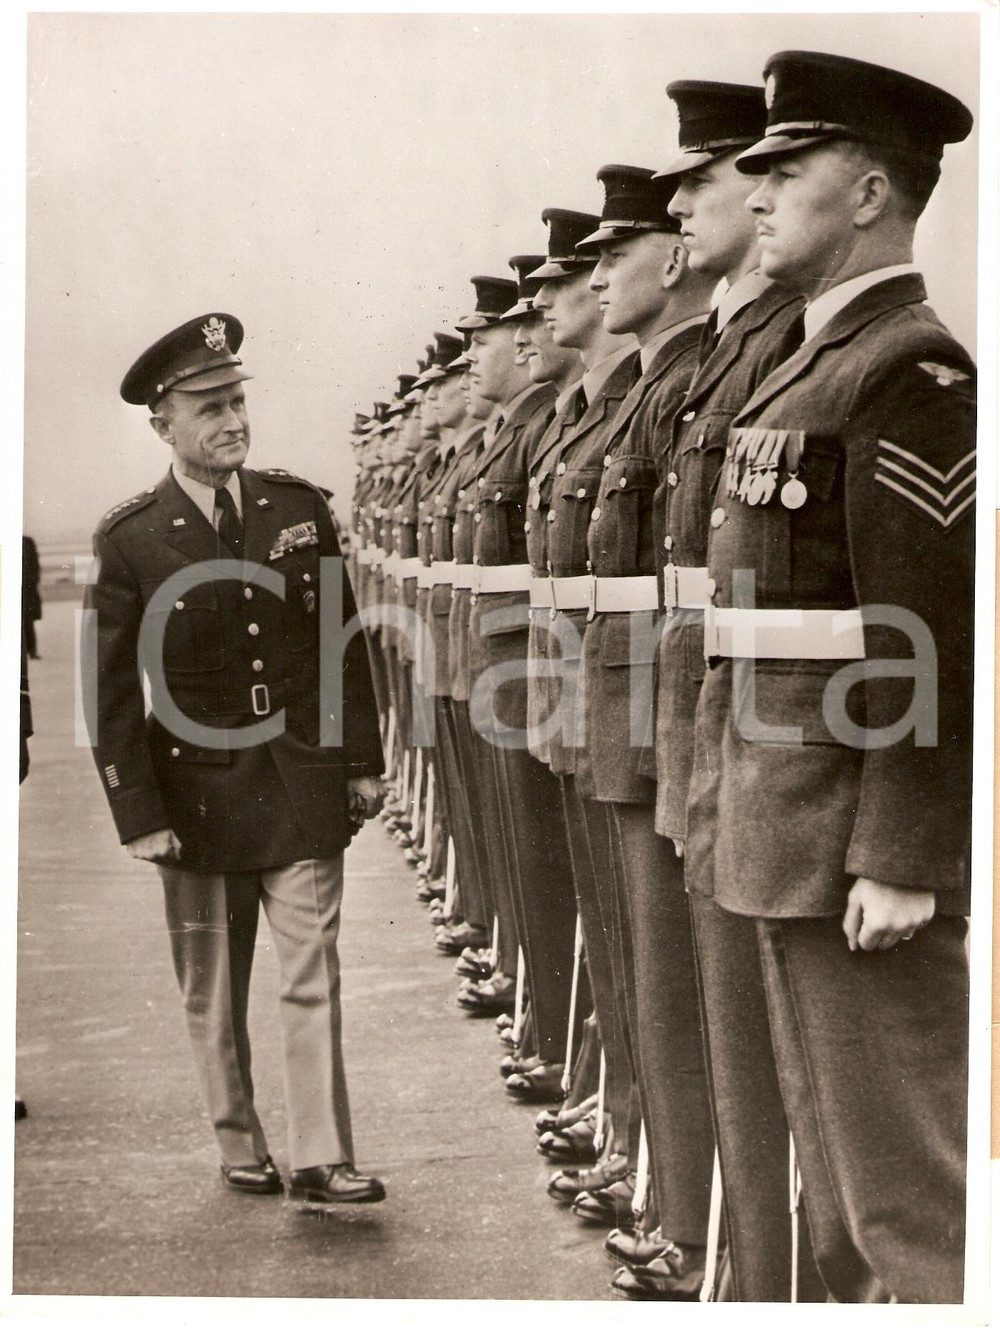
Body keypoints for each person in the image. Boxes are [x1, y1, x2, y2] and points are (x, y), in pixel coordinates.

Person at [683, 53, 975, 1302]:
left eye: (784, 171)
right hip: (783, 825)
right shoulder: (815, 360)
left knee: (908, 1199)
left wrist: (903, 852)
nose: (757, 195)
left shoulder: (909, 369)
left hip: (850, 843)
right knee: (841, 1188)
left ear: (865, 193)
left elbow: (932, 635)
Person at [85, 313, 387, 1207]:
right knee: (212, 988)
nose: (232, 420)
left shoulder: (298, 510)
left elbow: (343, 641)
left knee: (312, 970)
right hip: (194, 795)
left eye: (239, 400)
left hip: (297, 774)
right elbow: (108, 694)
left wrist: (360, 760)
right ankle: (238, 1141)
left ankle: (322, 1156)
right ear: (163, 424)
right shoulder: (131, 537)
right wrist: (138, 814)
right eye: (210, 407)